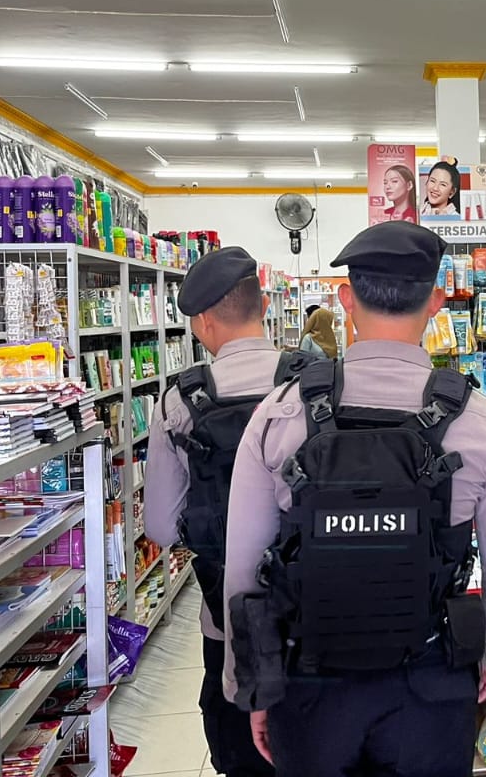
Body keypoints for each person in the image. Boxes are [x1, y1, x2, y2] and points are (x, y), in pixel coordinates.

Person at [223, 221, 486, 777]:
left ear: (346, 299)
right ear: (436, 302)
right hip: (431, 680)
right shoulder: (480, 422)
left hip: (308, 684)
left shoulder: (280, 412)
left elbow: (243, 565)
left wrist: (251, 683)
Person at [146, 246, 306, 777]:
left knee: (241, 754)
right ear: (264, 305)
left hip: (229, 622)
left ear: (202, 322)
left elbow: (160, 526)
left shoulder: (179, 401)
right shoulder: (318, 384)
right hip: (317, 616)